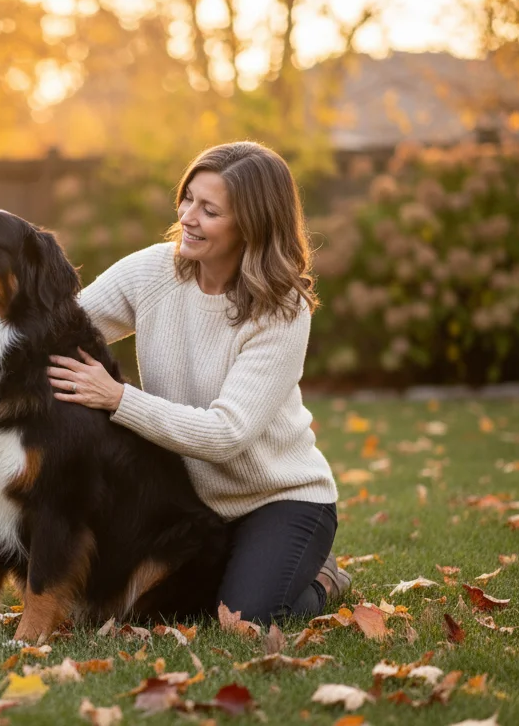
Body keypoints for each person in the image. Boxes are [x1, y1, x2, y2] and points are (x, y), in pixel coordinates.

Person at [46, 141, 349, 625]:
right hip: (185, 505)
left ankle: (323, 579)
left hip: (277, 499)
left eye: (210, 210)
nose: (188, 216)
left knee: (241, 620)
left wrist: (118, 397)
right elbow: (62, 327)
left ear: (251, 225)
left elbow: (226, 435)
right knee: (166, 613)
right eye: (188, 199)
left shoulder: (281, 310)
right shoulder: (154, 271)